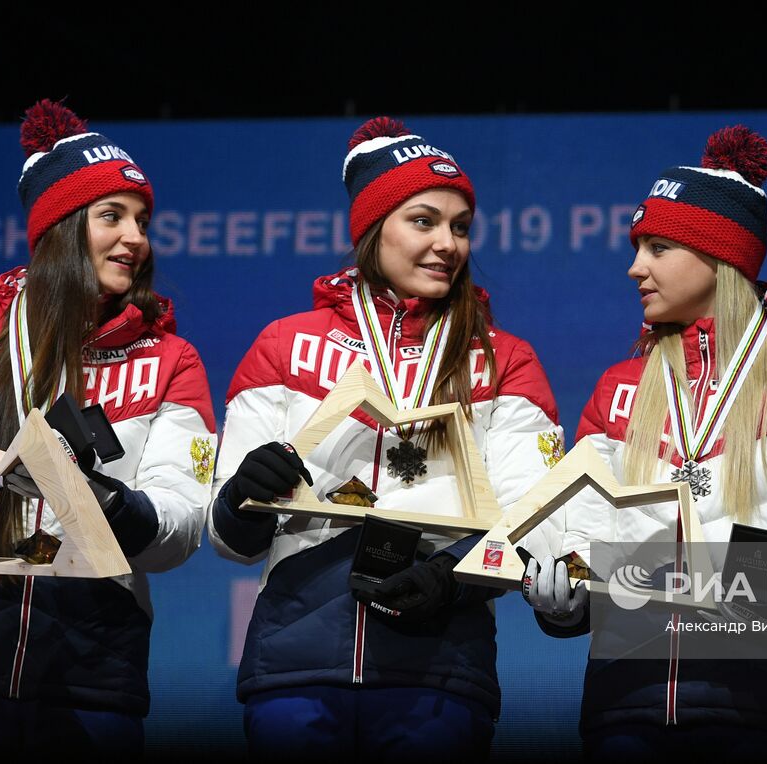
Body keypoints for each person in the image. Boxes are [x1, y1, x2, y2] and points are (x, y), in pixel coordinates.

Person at [520, 126, 767, 759]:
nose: (636, 266)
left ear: (721, 258)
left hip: (764, 712)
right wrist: (560, 599)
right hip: (622, 708)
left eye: (658, 247)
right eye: (638, 247)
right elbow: (578, 541)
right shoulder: (618, 388)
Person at [207, 116, 562, 759]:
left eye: (460, 227)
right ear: (373, 230)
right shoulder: (284, 344)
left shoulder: (504, 359)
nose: (448, 244)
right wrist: (241, 495)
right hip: (295, 667)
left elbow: (532, 522)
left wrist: (451, 579)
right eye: (423, 221)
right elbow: (230, 539)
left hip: (440, 674)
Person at [0, 100, 216, 756]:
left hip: (94, 662)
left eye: (142, 221)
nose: (136, 238)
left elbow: (183, 520)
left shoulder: (170, 360)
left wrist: (114, 505)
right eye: (112, 217)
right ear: (61, 229)